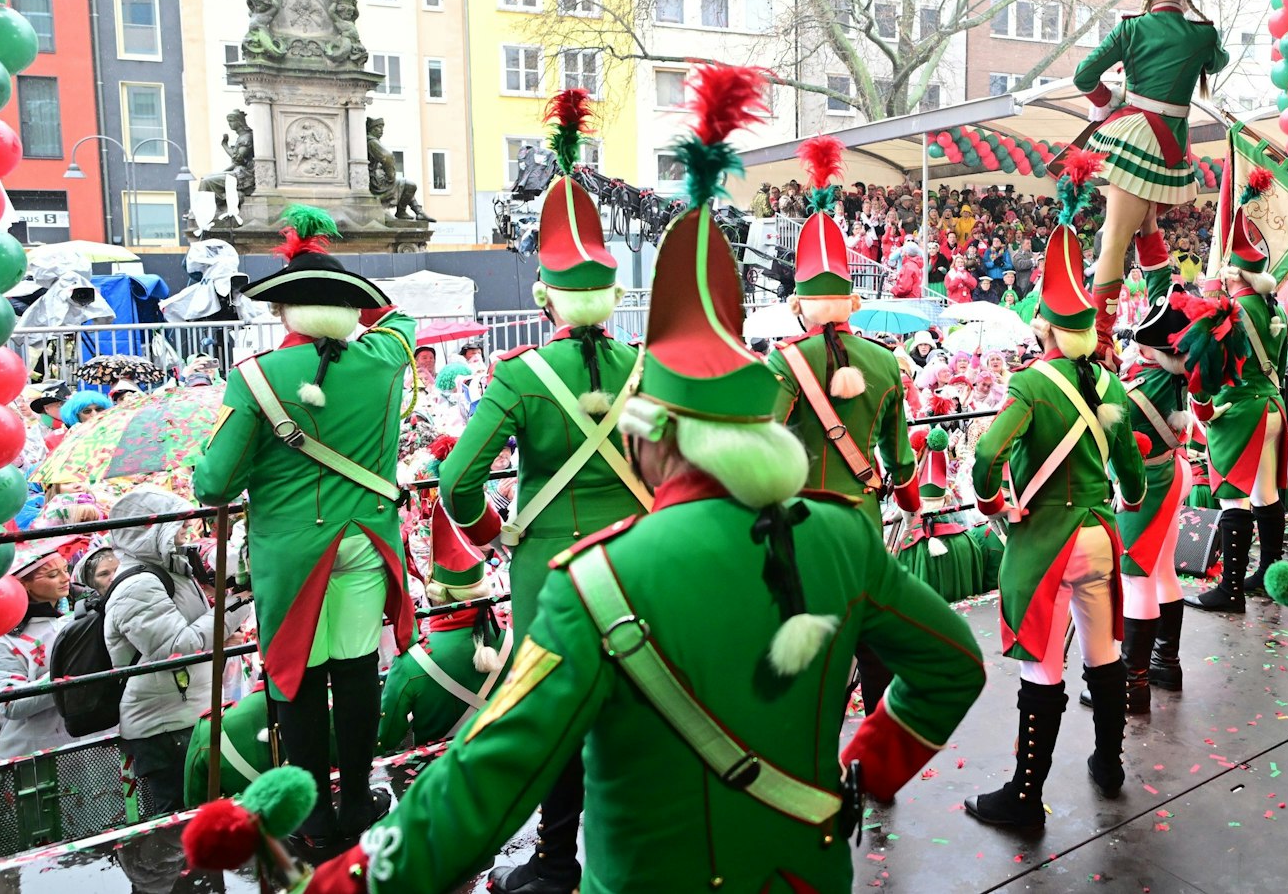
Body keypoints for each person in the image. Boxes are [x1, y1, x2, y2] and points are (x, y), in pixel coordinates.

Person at [297, 64, 985, 894]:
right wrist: (863, 772)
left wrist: (338, 882)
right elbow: (955, 664)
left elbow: (476, 788)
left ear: (657, 432)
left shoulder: (592, 583)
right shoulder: (842, 535)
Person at [434, 88, 650, 894]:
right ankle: (631, 848)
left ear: (545, 294)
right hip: (634, 558)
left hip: (549, 572)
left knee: (556, 709)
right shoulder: (644, 367)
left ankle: (558, 863)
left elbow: (457, 481)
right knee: (634, 700)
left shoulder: (520, 375)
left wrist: (493, 530)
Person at [193, 204, 417, 856]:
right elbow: (396, 318)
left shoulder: (256, 375)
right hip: (368, 543)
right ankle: (356, 800)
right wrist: (357, 303)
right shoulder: (383, 357)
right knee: (354, 672)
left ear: (286, 312)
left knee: (295, 677)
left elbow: (214, 482)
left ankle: (313, 811)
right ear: (349, 308)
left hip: (293, 554)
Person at [965, 157, 1146, 828]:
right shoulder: (1111, 383)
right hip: (1101, 533)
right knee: (1104, 652)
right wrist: (1124, 494)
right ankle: (1109, 763)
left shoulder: (1031, 384)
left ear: (1044, 326)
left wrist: (988, 497)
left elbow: (987, 453)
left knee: (1043, 670)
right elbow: (1131, 470)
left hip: (1048, 541)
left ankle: (1025, 796)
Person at [766, 134, 922, 712]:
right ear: (851, 301)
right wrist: (906, 498)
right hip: (859, 522)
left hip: (801, 527)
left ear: (800, 303)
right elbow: (901, 463)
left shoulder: (783, 363)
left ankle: (816, 768)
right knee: (868, 634)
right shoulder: (886, 361)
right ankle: (877, 752)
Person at [1074, 0, 1241, 363]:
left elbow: (1083, 75)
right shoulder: (1203, 35)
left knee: (1116, 238)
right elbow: (1218, 62)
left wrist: (1107, 99)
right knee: (1135, 230)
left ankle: (1105, 337)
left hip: (1131, 134)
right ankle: (1126, 327)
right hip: (1168, 140)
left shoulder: (1131, 27)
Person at [104, 486, 255, 816]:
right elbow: (177, 647)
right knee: (177, 821)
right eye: (178, 526)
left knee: (199, 812)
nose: (187, 532)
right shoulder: (138, 584)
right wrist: (237, 605)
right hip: (165, 726)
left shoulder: (169, 569)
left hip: (182, 712)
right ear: (151, 532)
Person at [1183, 171, 1288, 613]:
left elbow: (1206, 369)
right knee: (1266, 492)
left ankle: (1230, 589)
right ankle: (1268, 569)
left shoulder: (1232, 309)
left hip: (1241, 410)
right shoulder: (1271, 306)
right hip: (1273, 404)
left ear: (1234, 274)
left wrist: (1204, 410)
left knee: (1232, 495)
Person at [1110, 269, 1195, 708]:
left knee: (1136, 578)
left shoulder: (1142, 382)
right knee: (1162, 572)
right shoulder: (1171, 373)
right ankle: (1166, 664)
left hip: (1147, 482)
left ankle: (1133, 684)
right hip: (1171, 472)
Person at [377, 504, 507, 753]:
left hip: (443, 776)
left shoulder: (412, 662)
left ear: (435, 594)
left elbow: (386, 738)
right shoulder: (515, 636)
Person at [0, 541, 79, 758]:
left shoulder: (76, 617)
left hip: (89, 743)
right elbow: (10, 705)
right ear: (24, 584)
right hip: (34, 753)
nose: (66, 578)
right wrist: (69, 672)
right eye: (53, 575)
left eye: (66, 570)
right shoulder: (1, 639)